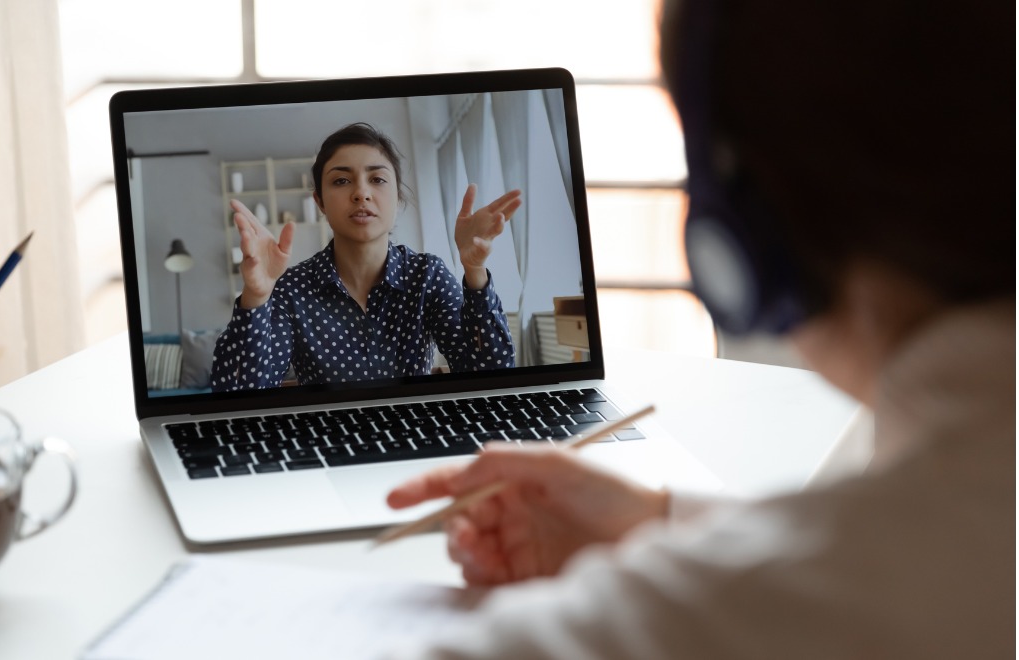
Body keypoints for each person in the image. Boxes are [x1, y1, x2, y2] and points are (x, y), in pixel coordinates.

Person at [385, 0, 1014, 657]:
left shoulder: (742, 613)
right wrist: (661, 522)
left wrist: (474, 271)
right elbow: (920, 545)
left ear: (747, 237)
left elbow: (852, 574)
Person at [211, 123, 521, 391]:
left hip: (417, 436)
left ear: (397, 195)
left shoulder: (427, 275)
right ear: (319, 200)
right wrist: (255, 295)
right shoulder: (292, 288)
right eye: (341, 181)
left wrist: (475, 270)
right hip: (324, 445)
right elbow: (238, 393)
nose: (361, 193)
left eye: (377, 179)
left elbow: (490, 374)